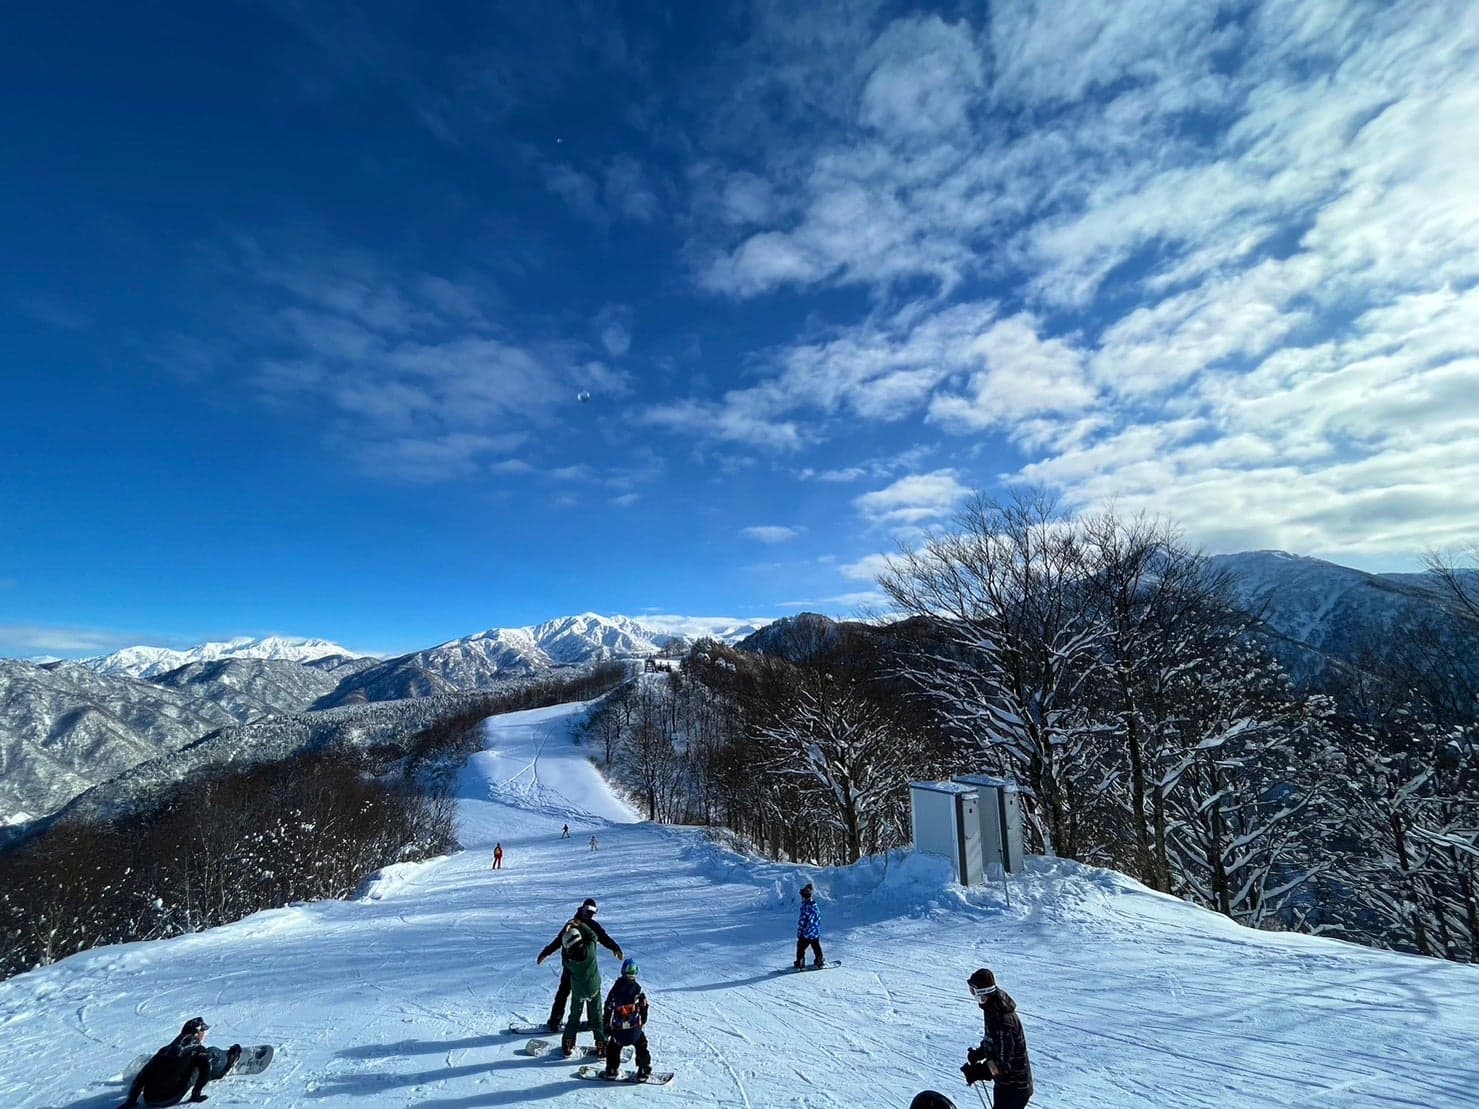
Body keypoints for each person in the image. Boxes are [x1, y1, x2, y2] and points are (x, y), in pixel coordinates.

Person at [537, 898, 623, 1032]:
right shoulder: (571, 924)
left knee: (590, 993)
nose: (587, 914)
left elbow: (604, 937)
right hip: (570, 966)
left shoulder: (593, 926)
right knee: (564, 991)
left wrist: (615, 948)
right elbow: (558, 941)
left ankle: (592, 1021)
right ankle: (555, 1020)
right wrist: (546, 953)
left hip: (585, 967)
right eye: (586, 910)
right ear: (582, 908)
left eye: (591, 912)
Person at [122, 1017, 241, 1108]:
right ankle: (228, 1059)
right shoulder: (197, 1050)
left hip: (150, 1099)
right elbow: (205, 1070)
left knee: (167, 1064)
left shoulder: (164, 1050)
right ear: (198, 1033)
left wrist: (131, 1100)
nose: (205, 1035)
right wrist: (196, 1094)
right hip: (171, 1097)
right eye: (203, 1032)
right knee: (210, 1054)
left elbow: (142, 1075)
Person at [960, 968, 1034, 1109]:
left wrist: (979, 1072)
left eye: (973, 991)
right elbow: (993, 1039)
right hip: (1005, 1084)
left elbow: (1003, 1065)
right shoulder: (992, 1008)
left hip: (1016, 1087)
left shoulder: (1003, 1021)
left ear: (983, 993)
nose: (972, 994)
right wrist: (980, 1052)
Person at [601, 956, 653, 1081]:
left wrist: (606, 1024)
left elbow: (608, 1006)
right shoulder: (638, 990)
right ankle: (643, 1069)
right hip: (634, 1031)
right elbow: (644, 1006)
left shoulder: (616, 989)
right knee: (642, 1045)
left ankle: (612, 1069)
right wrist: (643, 1021)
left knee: (613, 1047)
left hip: (618, 1032)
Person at [794, 882, 824, 969]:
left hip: (806, 933)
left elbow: (802, 922)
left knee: (801, 947)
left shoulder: (805, 908)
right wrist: (816, 929)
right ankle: (819, 961)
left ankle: (800, 963)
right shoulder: (815, 905)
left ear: (804, 897)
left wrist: (800, 932)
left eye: (801, 897)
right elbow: (818, 918)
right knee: (816, 947)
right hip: (814, 932)